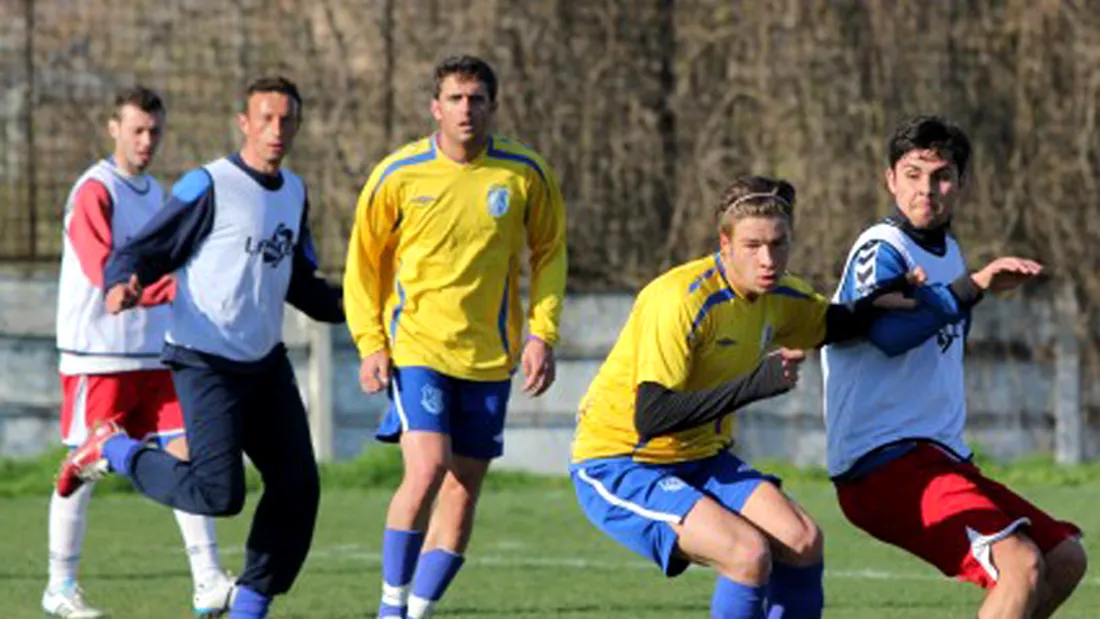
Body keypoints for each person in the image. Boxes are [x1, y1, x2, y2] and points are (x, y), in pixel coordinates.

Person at [569, 175, 927, 619]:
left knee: (802, 540)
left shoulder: (779, 294)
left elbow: (831, 323)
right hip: (623, 460)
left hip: (702, 458)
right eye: (753, 245)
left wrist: (881, 301)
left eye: (778, 244)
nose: (768, 259)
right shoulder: (679, 299)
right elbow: (652, 416)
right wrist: (753, 386)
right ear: (725, 244)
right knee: (747, 554)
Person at [55, 76, 344, 619]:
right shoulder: (207, 184)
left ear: (298, 125)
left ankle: (248, 608)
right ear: (244, 123)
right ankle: (112, 450)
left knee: (299, 486)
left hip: (264, 364)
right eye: (265, 119)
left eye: (286, 120)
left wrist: (361, 306)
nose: (276, 130)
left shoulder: (295, 193)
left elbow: (301, 282)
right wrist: (126, 279)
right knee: (219, 494)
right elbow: (145, 248)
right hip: (204, 362)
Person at [822, 115, 1087, 619]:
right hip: (881, 464)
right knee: (1021, 567)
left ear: (961, 183)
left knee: (1063, 558)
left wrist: (964, 290)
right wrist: (972, 288)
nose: (928, 189)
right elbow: (886, 335)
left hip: (938, 457)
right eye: (914, 173)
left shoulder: (949, 252)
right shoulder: (881, 249)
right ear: (890, 180)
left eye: (941, 175)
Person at [344, 55, 567, 619]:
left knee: (464, 489)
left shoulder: (524, 173)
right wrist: (371, 343)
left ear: (493, 105)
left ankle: (416, 613)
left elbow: (549, 253)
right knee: (427, 467)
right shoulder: (397, 174)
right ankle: (390, 607)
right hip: (417, 345)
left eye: (477, 99)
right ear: (434, 107)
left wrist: (542, 333)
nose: (466, 109)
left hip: (489, 356)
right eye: (456, 99)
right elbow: (363, 266)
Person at [46, 86, 232, 618]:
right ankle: (60, 585)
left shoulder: (157, 194)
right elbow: (100, 268)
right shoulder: (94, 191)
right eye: (137, 130)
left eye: (155, 131)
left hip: (155, 353)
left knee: (188, 456)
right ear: (114, 129)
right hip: (98, 353)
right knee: (83, 470)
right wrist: (169, 289)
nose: (147, 141)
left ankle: (208, 579)